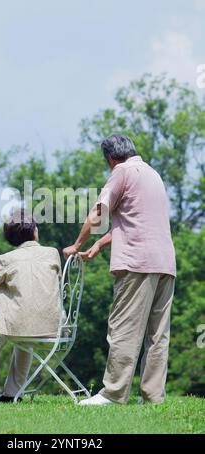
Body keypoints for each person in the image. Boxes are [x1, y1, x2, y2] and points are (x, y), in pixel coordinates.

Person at [63, 133, 176, 406]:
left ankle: (113, 394)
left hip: (136, 262)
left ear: (111, 158)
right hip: (164, 263)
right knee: (157, 335)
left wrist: (77, 244)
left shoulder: (121, 172)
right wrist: (100, 244)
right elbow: (134, 221)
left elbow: (97, 214)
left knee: (124, 327)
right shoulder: (152, 174)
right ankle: (152, 397)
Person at [0, 211, 62, 403]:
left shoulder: (6, 259)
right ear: (35, 232)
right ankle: (13, 393)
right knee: (25, 338)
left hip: (16, 326)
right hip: (53, 327)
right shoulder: (53, 253)